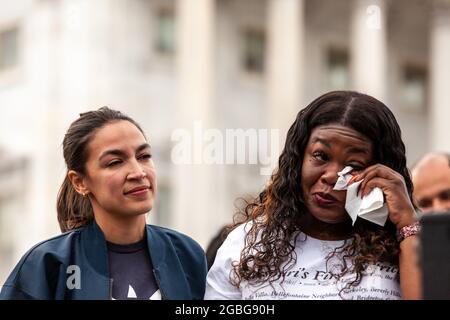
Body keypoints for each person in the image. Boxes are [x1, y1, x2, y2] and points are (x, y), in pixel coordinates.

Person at [205, 91, 421, 300]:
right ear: (298, 159)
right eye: (320, 156)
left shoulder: (403, 245)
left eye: (354, 165)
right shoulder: (246, 243)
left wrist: (407, 224)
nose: (332, 176)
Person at [0, 107, 207, 300]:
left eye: (144, 156)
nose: (138, 172)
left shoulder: (186, 255)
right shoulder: (46, 264)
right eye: (115, 162)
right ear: (79, 182)